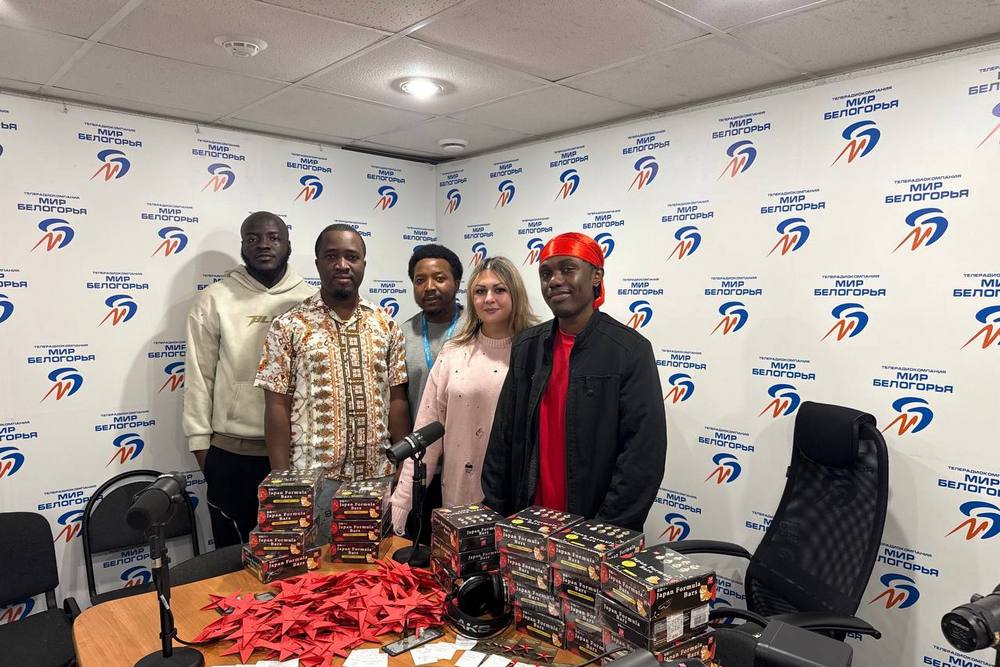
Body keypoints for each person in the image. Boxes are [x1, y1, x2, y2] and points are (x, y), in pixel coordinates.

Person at [481, 232, 667, 532]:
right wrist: (497, 513)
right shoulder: (527, 346)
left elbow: (642, 456)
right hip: (526, 524)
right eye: (546, 274)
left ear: (596, 276)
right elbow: (502, 439)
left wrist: (603, 532)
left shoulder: (629, 350)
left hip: (594, 530)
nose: (554, 280)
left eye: (568, 269)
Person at [255, 224, 411, 541]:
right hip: (312, 481)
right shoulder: (289, 325)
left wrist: (403, 468)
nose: (342, 265)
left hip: (377, 478)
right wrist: (284, 483)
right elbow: (276, 406)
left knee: (377, 567)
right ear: (317, 263)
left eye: (351, 257)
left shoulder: (386, 325)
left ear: (363, 263)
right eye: (331, 256)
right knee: (316, 568)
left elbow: (397, 399)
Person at [183, 211, 314, 546]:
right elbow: (199, 376)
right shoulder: (214, 299)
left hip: (299, 453)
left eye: (273, 238)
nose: (263, 245)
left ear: (288, 244)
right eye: (253, 238)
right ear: (243, 246)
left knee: (296, 555)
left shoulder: (310, 301)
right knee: (233, 557)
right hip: (233, 454)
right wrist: (201, 448)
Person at [391, 257, 538, 535]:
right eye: (480, 291)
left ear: (515, 294)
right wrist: (402, 501)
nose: (489, 298)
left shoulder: (536, 352)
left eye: (499, 290)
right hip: (460, 496)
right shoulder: (454, 353)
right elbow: (427, 431)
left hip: (518, 500)